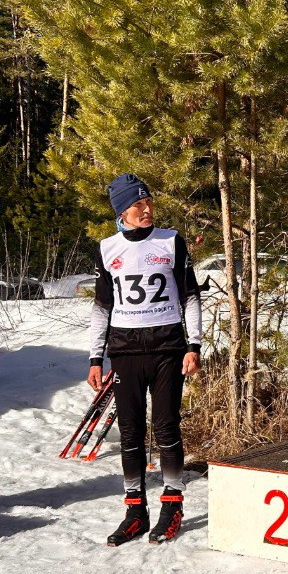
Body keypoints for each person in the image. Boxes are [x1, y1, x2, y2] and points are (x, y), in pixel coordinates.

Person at [88, 173, 202, 545]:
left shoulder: (170, 241)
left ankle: (172, 505)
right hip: (125, 352)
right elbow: (101, 307)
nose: (147, 209)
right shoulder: (107, 248)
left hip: (167, 348)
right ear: (122, 211)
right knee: (131, 433)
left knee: (167, 427)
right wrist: (95, 357)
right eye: (138, 204)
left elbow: (190, 296)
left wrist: (194, 345)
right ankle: (135, 511)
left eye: (149, 201)